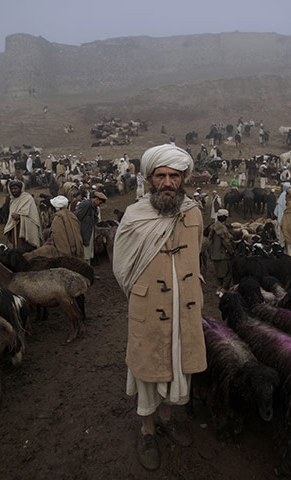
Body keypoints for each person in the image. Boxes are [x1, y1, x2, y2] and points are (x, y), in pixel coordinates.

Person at [112, 144, 206, 471]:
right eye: (161, 175)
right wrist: (141, 288)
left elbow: (196, 251)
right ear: (151, 178)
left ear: (183, 178)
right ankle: (147, 429)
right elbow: (121, 264)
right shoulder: (136, 214)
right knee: (149, 365)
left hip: (186, 305)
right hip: (149, 304)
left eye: (174, 176)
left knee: (178, 362)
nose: (168, 182)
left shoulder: (193, 212)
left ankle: (169, 418)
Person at [4, 180, 42, 249]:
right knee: (17, 246)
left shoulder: (27, 198)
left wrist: (20, 217)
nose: (13, 191)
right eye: (12, 189)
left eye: (15, 188)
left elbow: (33, 216)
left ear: (20, 188)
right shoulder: (12, 200)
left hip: (26, 227)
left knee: (25, 247)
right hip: (15, 227)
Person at [75, 191, 107, 265]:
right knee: (85, 254)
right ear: (96, 199)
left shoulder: (93, 207)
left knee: (88, 254)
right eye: (100, 202)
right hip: (84, 232)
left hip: (89, 231)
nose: (99, 205)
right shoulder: (86, 205)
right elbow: (76, 217)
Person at [207, 208, 234, 294]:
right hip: (222, 255)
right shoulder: (222, 229)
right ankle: (223, 289)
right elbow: (226, 242)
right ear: (225, 218)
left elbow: (209, 240)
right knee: (228, 272)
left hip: (214, 254)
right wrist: (232, 251)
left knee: (219, 272)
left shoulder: (213, 226)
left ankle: (218, 288)